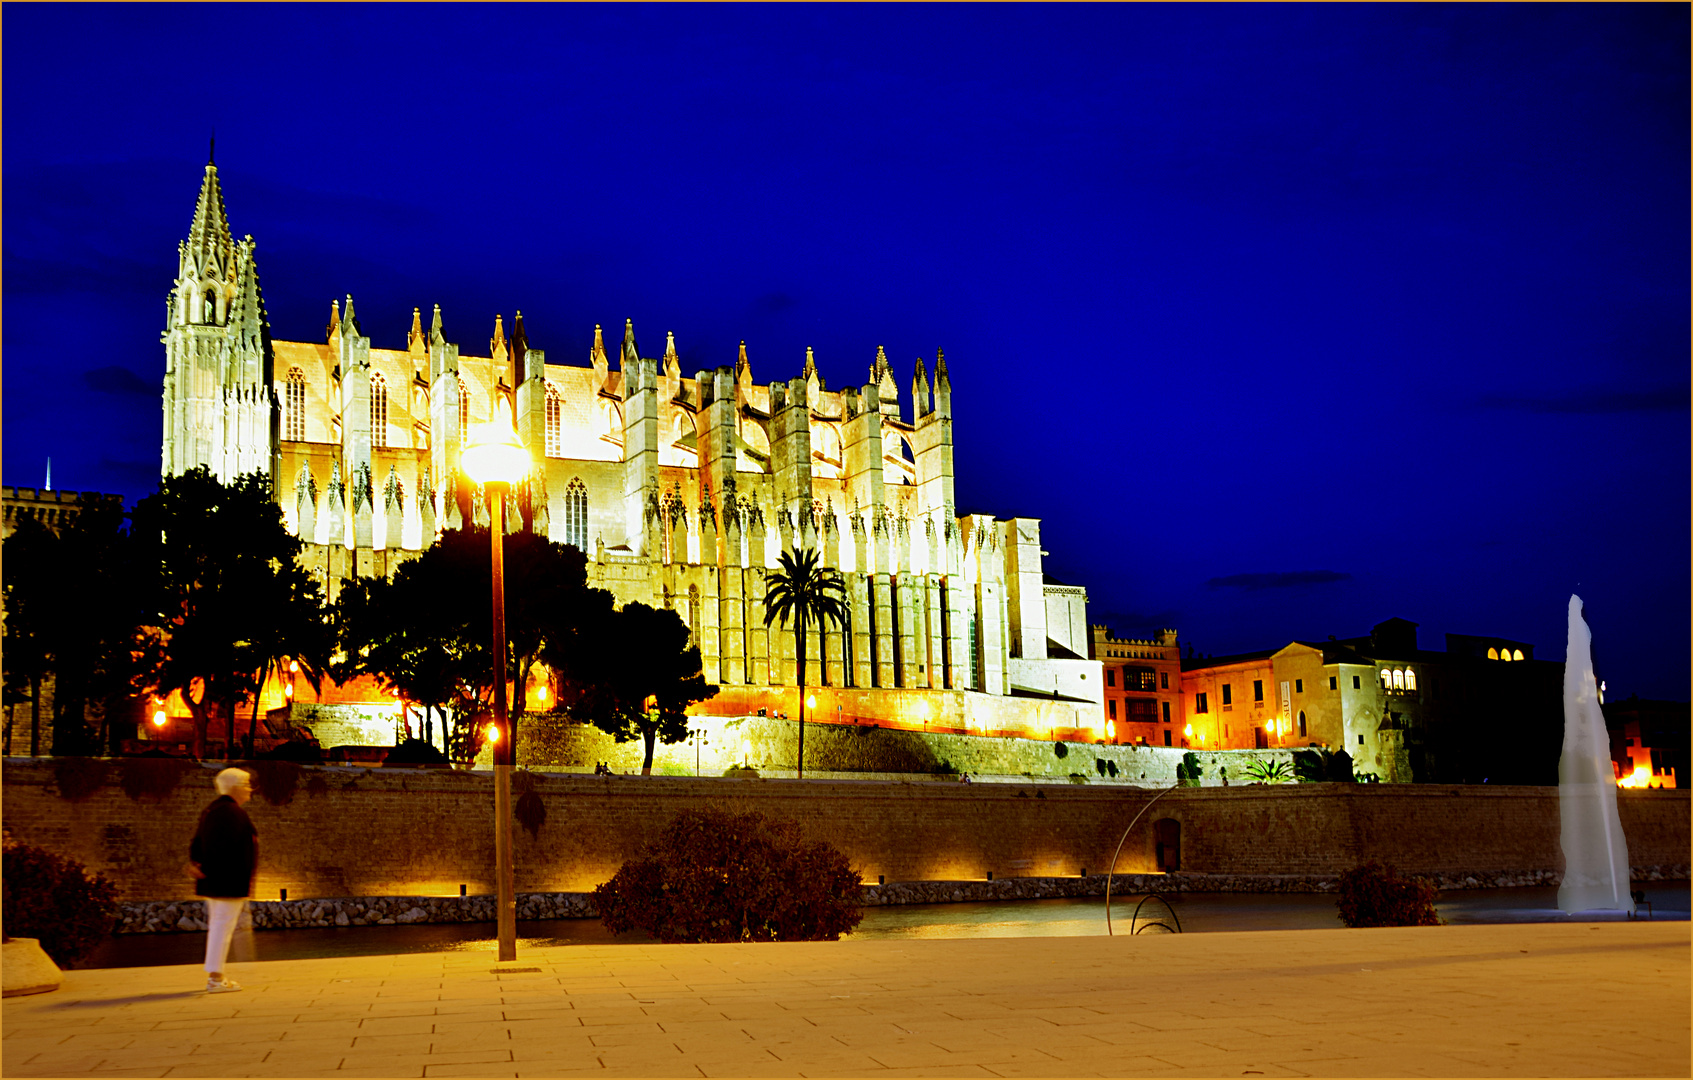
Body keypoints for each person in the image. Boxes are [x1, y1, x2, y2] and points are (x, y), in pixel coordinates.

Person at [189, 767, 257, 993]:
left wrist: (198, 863)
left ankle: (215, 975)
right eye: (247, 785)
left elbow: (198, 841)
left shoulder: (213, 810)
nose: (250, 790)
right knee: (222, 928)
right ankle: (215, 978)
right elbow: (224, 848)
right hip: (228, 881)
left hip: (216, 880)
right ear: (236, 788)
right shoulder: (232, 813)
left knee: (219, 927)